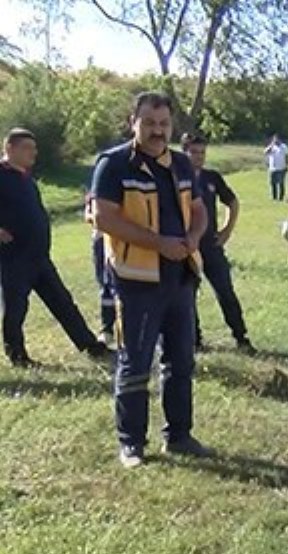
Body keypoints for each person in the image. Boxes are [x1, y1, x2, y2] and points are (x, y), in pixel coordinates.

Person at [90, 91, 212, 467]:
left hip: (180, 278)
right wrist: (159, 243)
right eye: (150, 124)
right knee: (135, 362)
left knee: (181, 361)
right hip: (137, 281)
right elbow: (104, 218)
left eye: (164, 124)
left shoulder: (180, 163)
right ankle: (131, 442)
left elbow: (198, 210)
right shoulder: (113, 164)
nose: (158, 131)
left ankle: (178, 435)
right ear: (133, 122)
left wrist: (192, 239)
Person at [0, 128, 113, 367]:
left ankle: (91, 347)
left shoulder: (25, 177)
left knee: (63, 302)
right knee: (16, 308)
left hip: (39, 256)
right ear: (9, 148)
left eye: (35, 148)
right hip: (14, 257)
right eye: (27, 148)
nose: (34, 153)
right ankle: (18, 356)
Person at [183, 134, 253, 353]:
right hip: (188, 247)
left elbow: (233, 202)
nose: (199, 157)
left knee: (226, 291)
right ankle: (195, 341)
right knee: (187, 296)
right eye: (194, 152)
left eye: (202, 152)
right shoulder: (177, 178)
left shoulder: (212, 178)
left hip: (211, 245)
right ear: (184, 152)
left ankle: (241, 337)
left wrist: (227, 230)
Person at [85, 191, 118, 346]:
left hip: (127, 238)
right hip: (103, 238)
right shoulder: (103, 174)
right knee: (105, 284)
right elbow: (89, 213)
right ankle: (107, 328)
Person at [265, 134, 288, 201]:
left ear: (279, 139)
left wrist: (287, 165)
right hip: (272, 168)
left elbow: (287, 156)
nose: (275, 140)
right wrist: (271, 145)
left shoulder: (284, 147)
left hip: (281, 168)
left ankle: (281, 197)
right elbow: (266, 152)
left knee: (281, 183)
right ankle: (274, 197)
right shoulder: (271, 147)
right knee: (273, 183)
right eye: (274, 139)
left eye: (276, 139)